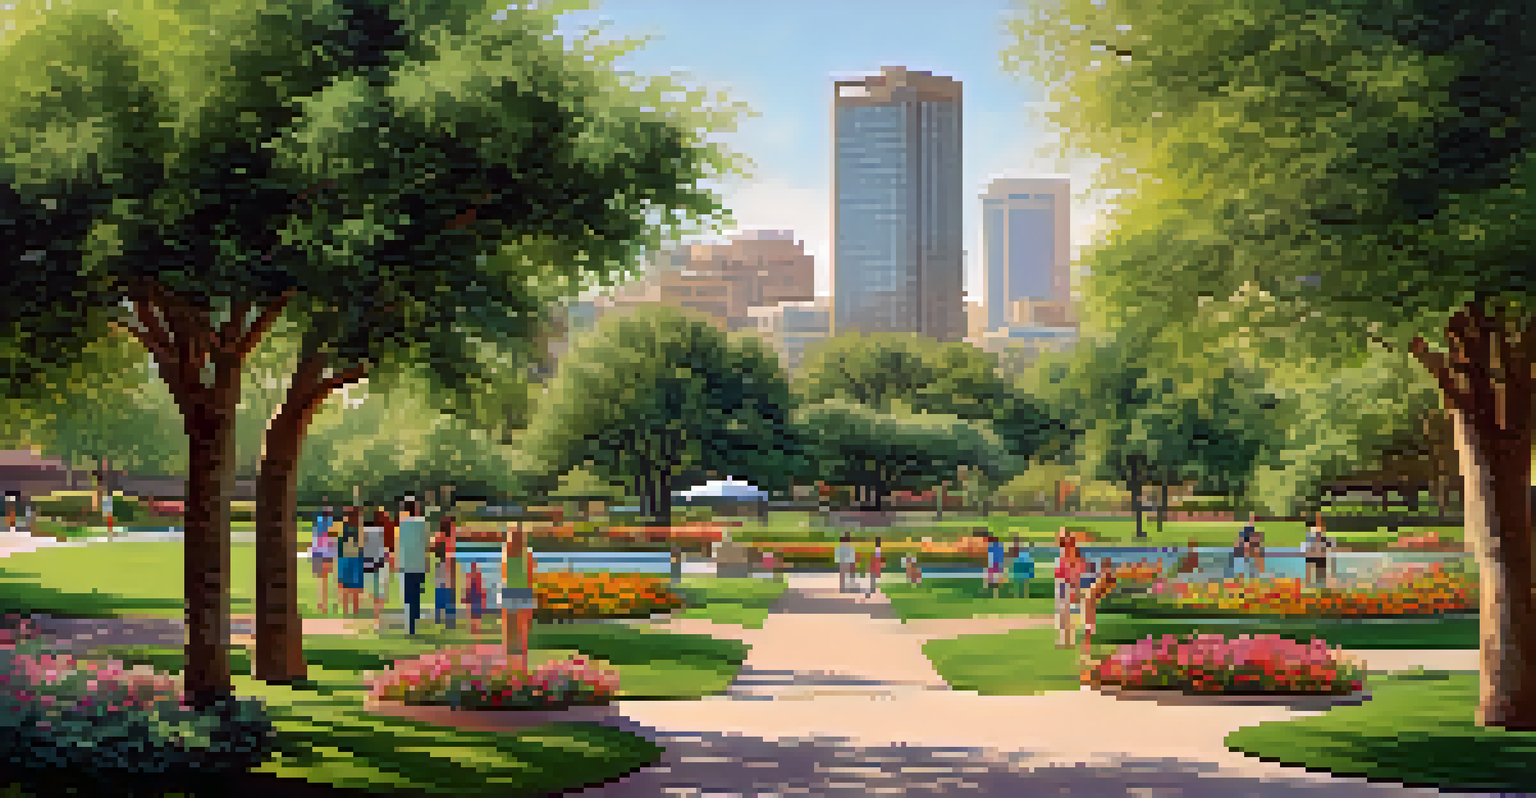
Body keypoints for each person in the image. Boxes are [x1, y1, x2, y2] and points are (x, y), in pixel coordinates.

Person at [397, 496, 428, 636]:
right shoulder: (422, 523)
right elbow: (426, 543)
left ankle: (410, 625)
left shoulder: (402, 524)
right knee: (416, 595)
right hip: (419, 563)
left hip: (406, 564)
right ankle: (414, 619)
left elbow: (399, 544)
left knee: (408, 596)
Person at [1054, 527, 1087, 647]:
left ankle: (1068, 640)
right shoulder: (1066, 553)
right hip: (1063, 584)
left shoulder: (1073, 554)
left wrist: (1075, 583)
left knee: (1067, 613)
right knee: (1063, 613)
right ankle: (1065, 639)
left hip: (1068, 584)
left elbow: (1079, 569)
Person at [363, 507, 393, 629]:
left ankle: (374, 612)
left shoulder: (367, 530)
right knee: (377, 589)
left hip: (370, 560)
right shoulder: (382, 531)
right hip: (377, 561)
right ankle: (376, 613)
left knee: (371, 588)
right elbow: (386, 547)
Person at [308, 498, 337, 615]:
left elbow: (316, 540)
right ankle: (324, 603)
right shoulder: (329, 523)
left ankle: (322, 603)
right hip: (326, 554)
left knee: (322, 580)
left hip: (319, 554)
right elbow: (331, 540)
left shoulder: (318, 523)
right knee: (326, 580)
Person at [337, 506, 366, 616]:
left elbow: (340, 543)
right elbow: (362, 544)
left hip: (345, 557)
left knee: (345, 585)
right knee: (355, 586)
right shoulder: (359, 527)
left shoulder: (344, 526)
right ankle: (355, 609)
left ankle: (345, 609)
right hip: (356, 557)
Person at [432, 515, 458, 630]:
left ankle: (439, 617)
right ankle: (450, 619)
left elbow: (433, 548)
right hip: (448, 565)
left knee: (440, 590)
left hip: (441, 564)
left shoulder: (439, 535)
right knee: (449, 592)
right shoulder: (451, 537)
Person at [1305, 512, 1332, 588]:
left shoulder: (1322, 531)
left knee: (1320, 573)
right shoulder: (1312, 531)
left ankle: (1320, 584)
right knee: (1310, 570)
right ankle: (1310, 584)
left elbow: (1327, 543)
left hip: (1320, 554)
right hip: (1315, 553)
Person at [463, 552, 486, 637]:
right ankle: (474, 629)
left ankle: (475, 629)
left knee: (476, 613)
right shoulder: (472, 576)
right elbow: (468, 586)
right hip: (474, 595)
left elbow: (480, 586)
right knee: (473, 613)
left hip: (476, 595)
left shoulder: (475, 576)